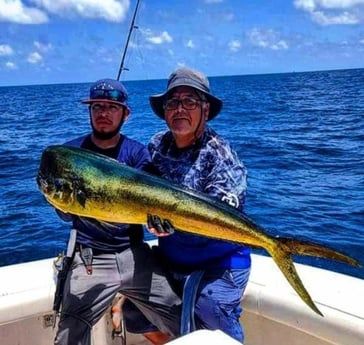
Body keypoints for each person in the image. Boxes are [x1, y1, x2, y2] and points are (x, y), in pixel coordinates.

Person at [123, 68, 251, 343]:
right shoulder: (157, 145)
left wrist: (173, 225)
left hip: (220, 262)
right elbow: (141, 192)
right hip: (171, 258)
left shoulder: (221, 154)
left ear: (206, 109)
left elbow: (222, 219)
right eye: (173, 102)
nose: (180, 109)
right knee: (132, 309)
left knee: (209, 307)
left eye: (190, 101)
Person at [52, 78, 181, 345]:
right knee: (68, 336)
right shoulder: (72, 154)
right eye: (97, 106)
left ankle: (126, 306)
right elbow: (65, 212)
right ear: (89, 111)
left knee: (183, 320)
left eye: (112, 107)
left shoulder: (136, 154)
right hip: (90, 259)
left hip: (134, 254)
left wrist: (160, 223)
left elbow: (152, 201)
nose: (103, 113)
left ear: (126, 114)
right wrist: (59, 202)